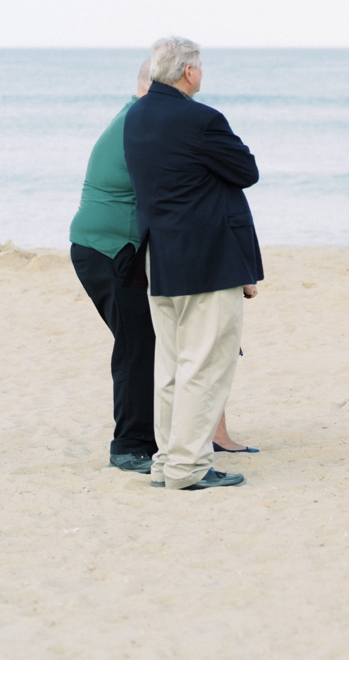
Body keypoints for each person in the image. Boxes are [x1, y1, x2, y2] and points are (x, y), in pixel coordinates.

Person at [125, 37, 262, 491]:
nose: (201, 75)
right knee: (206, 366)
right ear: (188, 72)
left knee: (171, 368)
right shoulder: (201, 120)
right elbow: (246, 170)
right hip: (206, 260)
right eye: (199, 68)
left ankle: (168, 462)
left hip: (160, 259)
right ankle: (187, 468)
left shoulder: (137, 116)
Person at [70, 59, 159, 474]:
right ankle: (129, 447)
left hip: (105, 247)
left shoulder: (135, 117)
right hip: (106, 250)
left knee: (140, 343)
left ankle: (146, 438)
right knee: (135, 346)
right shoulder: (137, 122)